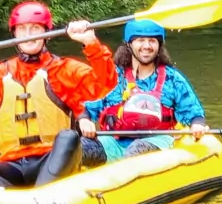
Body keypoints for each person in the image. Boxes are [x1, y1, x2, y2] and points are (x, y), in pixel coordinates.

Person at [0, 2, 117, 190]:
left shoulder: (63, 69)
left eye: (35, 28)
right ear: (14, 34)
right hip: (13, 166)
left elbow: (104, 84)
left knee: (69, 138)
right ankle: (14, 202)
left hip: (53, 159)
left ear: (46, 34)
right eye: (22, 29)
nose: (28, 35)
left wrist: (90, 43)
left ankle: (40, 199)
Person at [79, 18, 210, 157]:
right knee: (79, 148)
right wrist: (84, 120)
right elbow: (86, 107)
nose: (147, 46)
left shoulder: (173, 79)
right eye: (140, 40)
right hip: (113, 143)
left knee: (136, 149)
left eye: (152, 41)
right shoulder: (113, 77)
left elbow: (193, 113)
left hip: (158, 141)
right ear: (129, 44)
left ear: (159, 46)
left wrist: (197, 125)